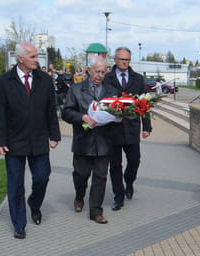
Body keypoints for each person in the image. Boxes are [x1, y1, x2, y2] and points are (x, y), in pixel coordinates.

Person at [0, 43, 61, 239]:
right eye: (32, 56)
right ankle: (19, 224)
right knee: (15, 184)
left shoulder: (45, 80)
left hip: (39, 140)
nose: (36, 60)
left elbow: (50, 109)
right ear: (20, 58)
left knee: (42, 177)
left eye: (36, 56)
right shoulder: (5, 81)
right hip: (13, 141)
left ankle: (34, 204)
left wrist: (54, 135)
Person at [61, 57, 114, 224]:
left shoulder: (111, 91)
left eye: (103, 72)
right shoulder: (76, 90)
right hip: (83, 141)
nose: (99, 75)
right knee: (81, 174)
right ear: (88, 70)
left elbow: (118, 111)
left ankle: (96, 211)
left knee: (101, 176)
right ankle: (79, 196)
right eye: (97, 71)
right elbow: (66, 113)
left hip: (103, 141)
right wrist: (82, 116)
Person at [103, 47, 151, 211]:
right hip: (113, 129)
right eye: (122, 59)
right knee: (115, 164)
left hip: (131, 127)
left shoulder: (137, 79)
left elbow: (144, 102)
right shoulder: (107, 78)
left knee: (134, 160)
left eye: (127, 60)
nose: (125, 62)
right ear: (115, 60)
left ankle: (129, 181)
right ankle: (119, 196)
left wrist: (147, 126)